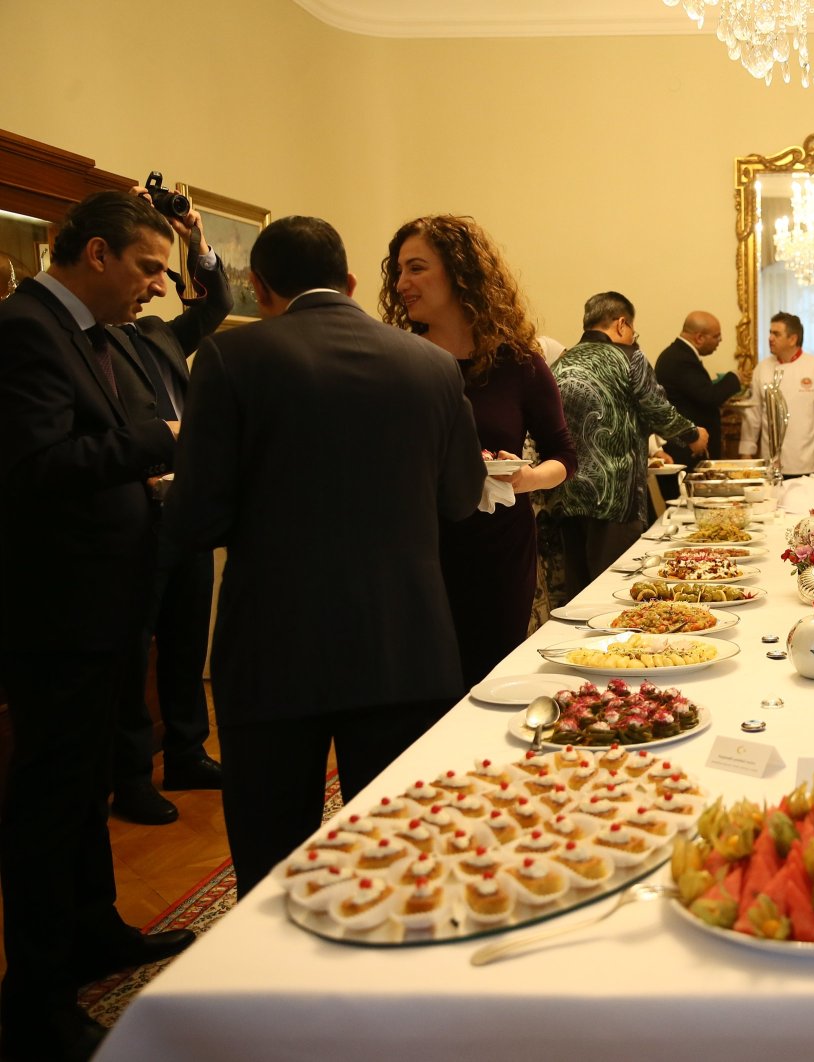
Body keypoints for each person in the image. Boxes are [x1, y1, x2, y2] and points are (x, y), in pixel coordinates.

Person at [165, 216, 486, 898]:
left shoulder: (231, 359)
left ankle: (279, 997)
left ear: (260, 286)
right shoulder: (431, 366)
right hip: (406, 643)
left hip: (276, 647)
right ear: (348, 282)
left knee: (274, 866)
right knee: (402, 857)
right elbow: (461, 500)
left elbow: (198, 519)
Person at [0, 190, 193, 1060]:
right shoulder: (25, 328)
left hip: (107, 600)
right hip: (57, 610)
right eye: (150, 266)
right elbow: (38, 467)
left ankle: (94, 932)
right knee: (50, 802)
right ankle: (36, 999)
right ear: (97, 254)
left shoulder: (95, 334)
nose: (159, 285)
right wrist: (164, 439)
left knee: (87, 791)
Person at [379, 215, 577, 687]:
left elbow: (564, 457)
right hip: (420, 547)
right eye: (399, 271)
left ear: (460, 271)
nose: (402, 283)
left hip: (498, 551)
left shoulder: (518, 362)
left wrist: (526, 478)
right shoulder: (397, 359)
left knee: (489, 678)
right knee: (427, 685)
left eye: (417, 268)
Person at [107, 184, 232, 828]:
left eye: (162, 273)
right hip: (130, 517)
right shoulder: (87, 344)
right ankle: (129, 776)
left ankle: (185, 750)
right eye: (147, 271)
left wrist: (196, 243)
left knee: (186, 640)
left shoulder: (157, 332)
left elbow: (220, 305)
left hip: (183, 512)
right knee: (136, 652)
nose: (156, 286)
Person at [549, 292, 706, 589]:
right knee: (615, 590)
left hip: (566, 495)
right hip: (615, 496)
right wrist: (694, 436)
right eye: (633, 329)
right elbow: (659, 411)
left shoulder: (560, 363)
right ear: (622, 324)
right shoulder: (629, 357)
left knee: (577, 593)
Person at [739, 312, 814, 476]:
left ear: (793, 339)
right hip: (771, 459)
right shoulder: (762, 368)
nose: (770, 338)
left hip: (808, 459)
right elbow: (753, 412)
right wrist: (747, 450)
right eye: (770, 332)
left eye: (776, 334)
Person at [656, 311, 740, 466]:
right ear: (699, 337)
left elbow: (696, 393)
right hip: (686, 448)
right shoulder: (681, 359)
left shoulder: (679, 354)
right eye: (716, 336)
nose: (720, 340)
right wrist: (735, 378)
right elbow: (709, 397)